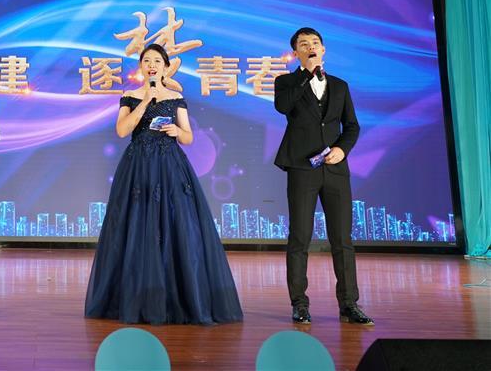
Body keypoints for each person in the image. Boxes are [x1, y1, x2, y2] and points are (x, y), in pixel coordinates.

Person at [84, 43, 243, 325]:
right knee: (136, 225)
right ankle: (134, 297)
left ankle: (175, 297)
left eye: (157, 61)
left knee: (174, 226)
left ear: (166, 67)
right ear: (141, 66)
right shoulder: (130, 97)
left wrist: (176, 130)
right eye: (147, 61)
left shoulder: (176, 98)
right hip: (138, 168)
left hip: (170, 167)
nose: (152, 65)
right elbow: (122, 130)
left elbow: (189, 138)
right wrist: (146, 102)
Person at [274, 27, 373, 325]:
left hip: (335, 170)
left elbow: (351, 126)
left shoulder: (340, 86)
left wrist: (342, 149)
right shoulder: (286, 82)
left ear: (324, 48)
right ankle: (300, 304)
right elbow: (283, 107)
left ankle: (349, 303)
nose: (310, 47)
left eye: (315, 43)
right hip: (302, 168)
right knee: (300, 237)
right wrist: (306, 74)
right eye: (304, 44)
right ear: (296, 53)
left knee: (342, 239)